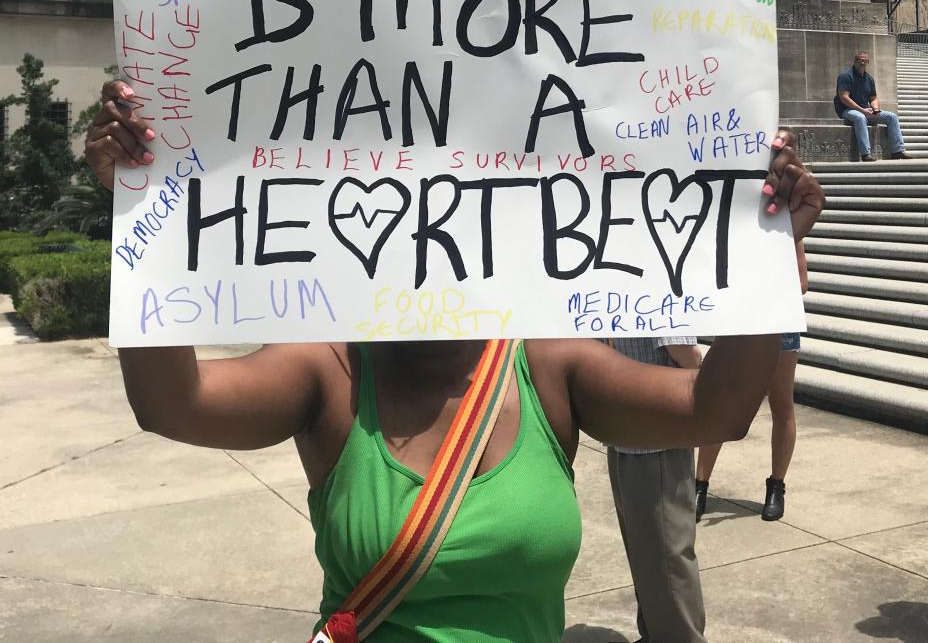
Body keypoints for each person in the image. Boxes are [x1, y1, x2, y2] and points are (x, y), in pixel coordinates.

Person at [86, 80, 823, 643]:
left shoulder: (543, 361)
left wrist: (767, 251)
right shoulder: (333, 368)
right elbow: (172, 403)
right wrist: (138, 206)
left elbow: (715, 410)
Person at [607, 336, 707, 643]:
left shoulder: (653, 292)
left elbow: (687, 355)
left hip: (657, 441)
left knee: (666, 558)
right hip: (626, 434)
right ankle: (653, 633)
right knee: (646, 554)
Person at [694, 333, 800, 523]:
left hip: (779, 323)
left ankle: (777, 485)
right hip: (741, 325)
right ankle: (700, 485)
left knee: (781, 403)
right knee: (721, 403)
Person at [834, 50, 911, 161]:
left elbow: (873, 98)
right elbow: (844, 97)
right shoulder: (845, 76)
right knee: (860, 118)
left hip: (865, 110)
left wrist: (875, 109)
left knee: (892, 117)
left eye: (865, 61)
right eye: (860, 60)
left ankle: (897, 151)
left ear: (868, 62)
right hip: (847, 110)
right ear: (855, 61)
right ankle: (866, 154)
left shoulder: (869, 79)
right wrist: (862, 110)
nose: (862, 63)